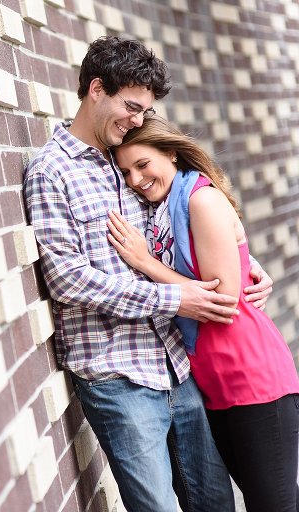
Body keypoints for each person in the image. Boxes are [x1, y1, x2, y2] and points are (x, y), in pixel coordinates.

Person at [23, 36, 274, 512]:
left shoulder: (131, 159)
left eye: (144, 111)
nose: (138, 120)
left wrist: (242, 260)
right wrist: (177, 301)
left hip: (177, 365)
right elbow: (68, 280)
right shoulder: (51, 172)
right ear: (96, 88)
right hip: (117, 375)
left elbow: (183, 222)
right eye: (131, 106)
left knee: (216, 503)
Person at [107, 116, 299, 511]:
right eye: (125, 171)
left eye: (143, 164)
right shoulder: (162, 211)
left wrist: (147, 263)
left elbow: (223, 299)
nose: (135, 179)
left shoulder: (200, 199)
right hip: (214, 383)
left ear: (172, 153)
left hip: (252, 376)